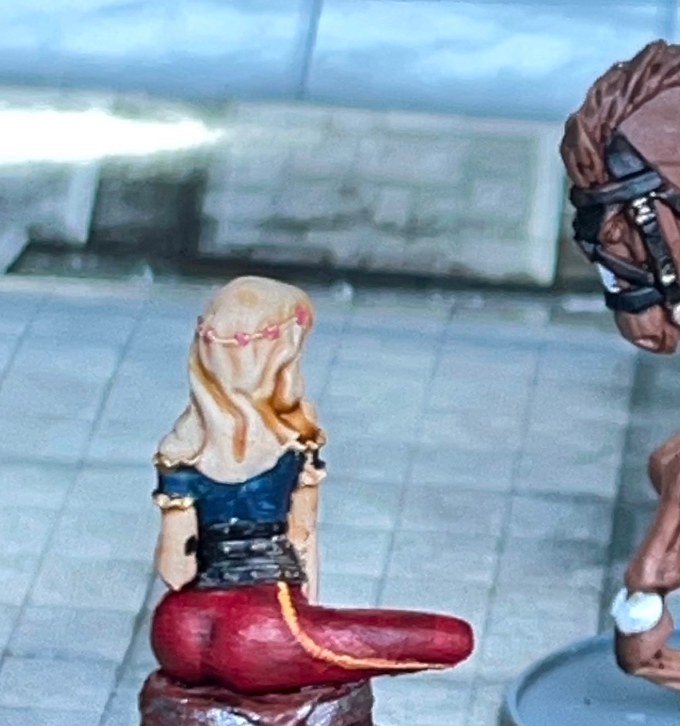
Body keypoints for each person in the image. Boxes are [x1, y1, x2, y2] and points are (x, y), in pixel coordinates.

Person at [150, 276, 472, 693]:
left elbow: (176, 571)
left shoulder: (179, 452)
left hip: (176, 634)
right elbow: (301, 536)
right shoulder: (295, 439)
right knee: (449, 639)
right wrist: (305, 615)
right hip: (264, 632)